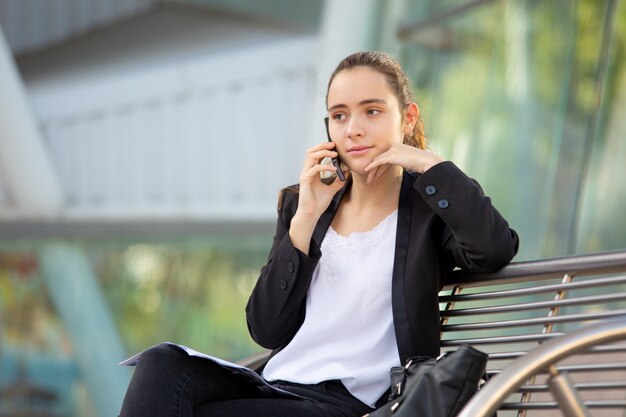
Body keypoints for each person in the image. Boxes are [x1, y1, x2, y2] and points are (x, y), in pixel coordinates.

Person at [119, 51, 519, 417]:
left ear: (408, 117)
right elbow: (266, 329)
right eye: (340, 115)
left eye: (373, 111)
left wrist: (427, 164)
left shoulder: (430, 208)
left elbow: (494, 248)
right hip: (277, 387)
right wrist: (306, 217)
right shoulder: (306, 205)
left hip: (351, 404)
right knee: (161, 363)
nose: (354, 129)